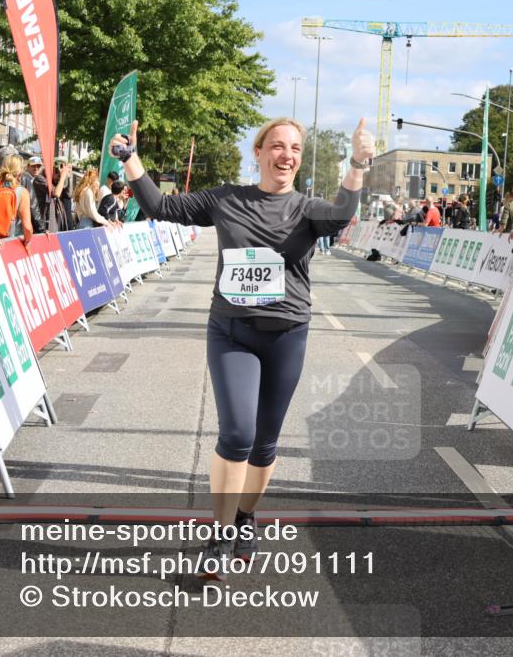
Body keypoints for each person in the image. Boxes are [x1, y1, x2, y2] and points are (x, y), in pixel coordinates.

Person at [110, 115, 374, 578]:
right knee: (236, 435)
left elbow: (341, 216)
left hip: (287, 334)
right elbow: (158, 207)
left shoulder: (307, 209)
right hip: (232, 331)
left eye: (294, 148)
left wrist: (356, 164)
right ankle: (221, 532)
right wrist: (131, 158)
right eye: (276, 146)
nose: (286, 155)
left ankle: (247, 517)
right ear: (259, 152)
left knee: (265, 444)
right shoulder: (226, 198)